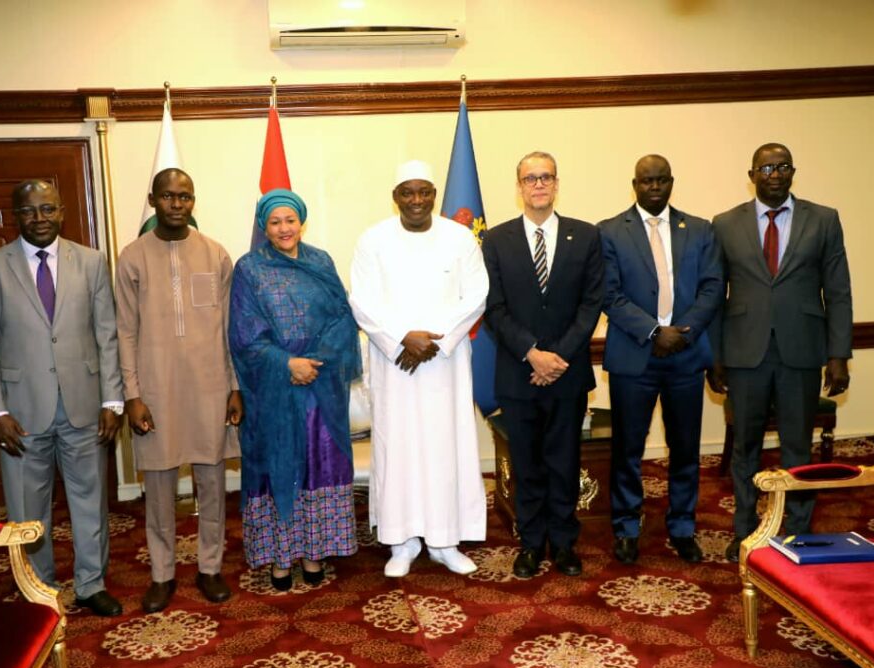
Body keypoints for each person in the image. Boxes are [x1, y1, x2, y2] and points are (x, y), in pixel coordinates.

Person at [0, 179, 123, 617]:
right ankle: (39, 588)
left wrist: (112, 401)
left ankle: (91, 584)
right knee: (27, 508)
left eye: (48, 209)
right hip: (19, 414)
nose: (39, 218)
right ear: (15, 216)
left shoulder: (91, 262)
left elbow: (106, 336)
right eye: (29, 211)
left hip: (85, 407)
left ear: (62, 212)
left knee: (90, 501)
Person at [708, 143, 852, 562]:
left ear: (793, 172)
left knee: (798, 447)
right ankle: (746, 532)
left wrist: (839, 354)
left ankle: (798, 532)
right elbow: (714, 294)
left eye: (783, 166)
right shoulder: (725, 224)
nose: (775, 174)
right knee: (745, 448)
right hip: (744, 352)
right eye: (766, 167)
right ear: (751, 175)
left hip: (801, 350)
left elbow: (838, 290)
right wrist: (714, 356)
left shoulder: (823, 219)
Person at [349, 160, 489, 578]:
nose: (416, 200)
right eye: (407, 192)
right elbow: (362, 301)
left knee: (447, 447)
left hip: (446, 363)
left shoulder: (460, 237)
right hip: (395, 364)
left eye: (424, 191)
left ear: (434, 195)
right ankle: (402, 541)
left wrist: (436, 341)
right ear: (395, 197)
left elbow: (477, 295)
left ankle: (445, 542)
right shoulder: (373, 239)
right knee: (399, 449)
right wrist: (401, 339)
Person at [115, 168, 243, 612]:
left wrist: (234, 387)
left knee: (212, 484)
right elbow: (124, 331)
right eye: (168, 196)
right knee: (159, 488)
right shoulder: (132, 257)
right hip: (156, 390)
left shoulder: (215, 253)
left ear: (193, 201)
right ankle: (162, 574)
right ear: (153, 200)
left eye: (184, 197)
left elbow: (229, 329)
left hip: (210, 386)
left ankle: (210, 567)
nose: (176, 204)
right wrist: (132, 395)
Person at [229, 189, 362, 591]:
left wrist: (312, 363)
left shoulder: (321, 262)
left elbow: (343, 319)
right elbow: (245, 335)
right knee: (278, 468)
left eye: (290, 220)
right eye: (275, 222)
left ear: (302, 222)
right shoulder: (249, 269)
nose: (284, 229)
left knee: (319, 465)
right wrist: (287, 363)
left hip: (321, 389)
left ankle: (314, 552)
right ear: (264, 226)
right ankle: (281, 557)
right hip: (273, 392)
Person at [481, 151, 604, 578]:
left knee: (565, 462)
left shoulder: (585, 236)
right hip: (519, 373)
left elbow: (591, 304)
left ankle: (565, 543)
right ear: (519, 186)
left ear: (556, 183)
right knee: (527, 465)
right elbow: (493, 307)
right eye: (530, 178)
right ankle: (531, 543)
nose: (538, 184)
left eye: (545, 177)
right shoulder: (496, 240)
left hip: (568, 374)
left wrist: (559, 357)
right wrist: (532, 353)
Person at [598, 154, 723, 565]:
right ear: (634, 184)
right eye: (646, 180)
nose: (654, 187)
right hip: (634, 357)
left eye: (661, 180)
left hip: (686, 355)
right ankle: (626, 528)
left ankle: (683, 526)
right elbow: (610, 294)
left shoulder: (699, 229)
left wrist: (682, 332)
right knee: (628, 449)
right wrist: (654, 332)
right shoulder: (610, 231)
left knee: (685, 448)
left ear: (671, 182)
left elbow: (712, 287)